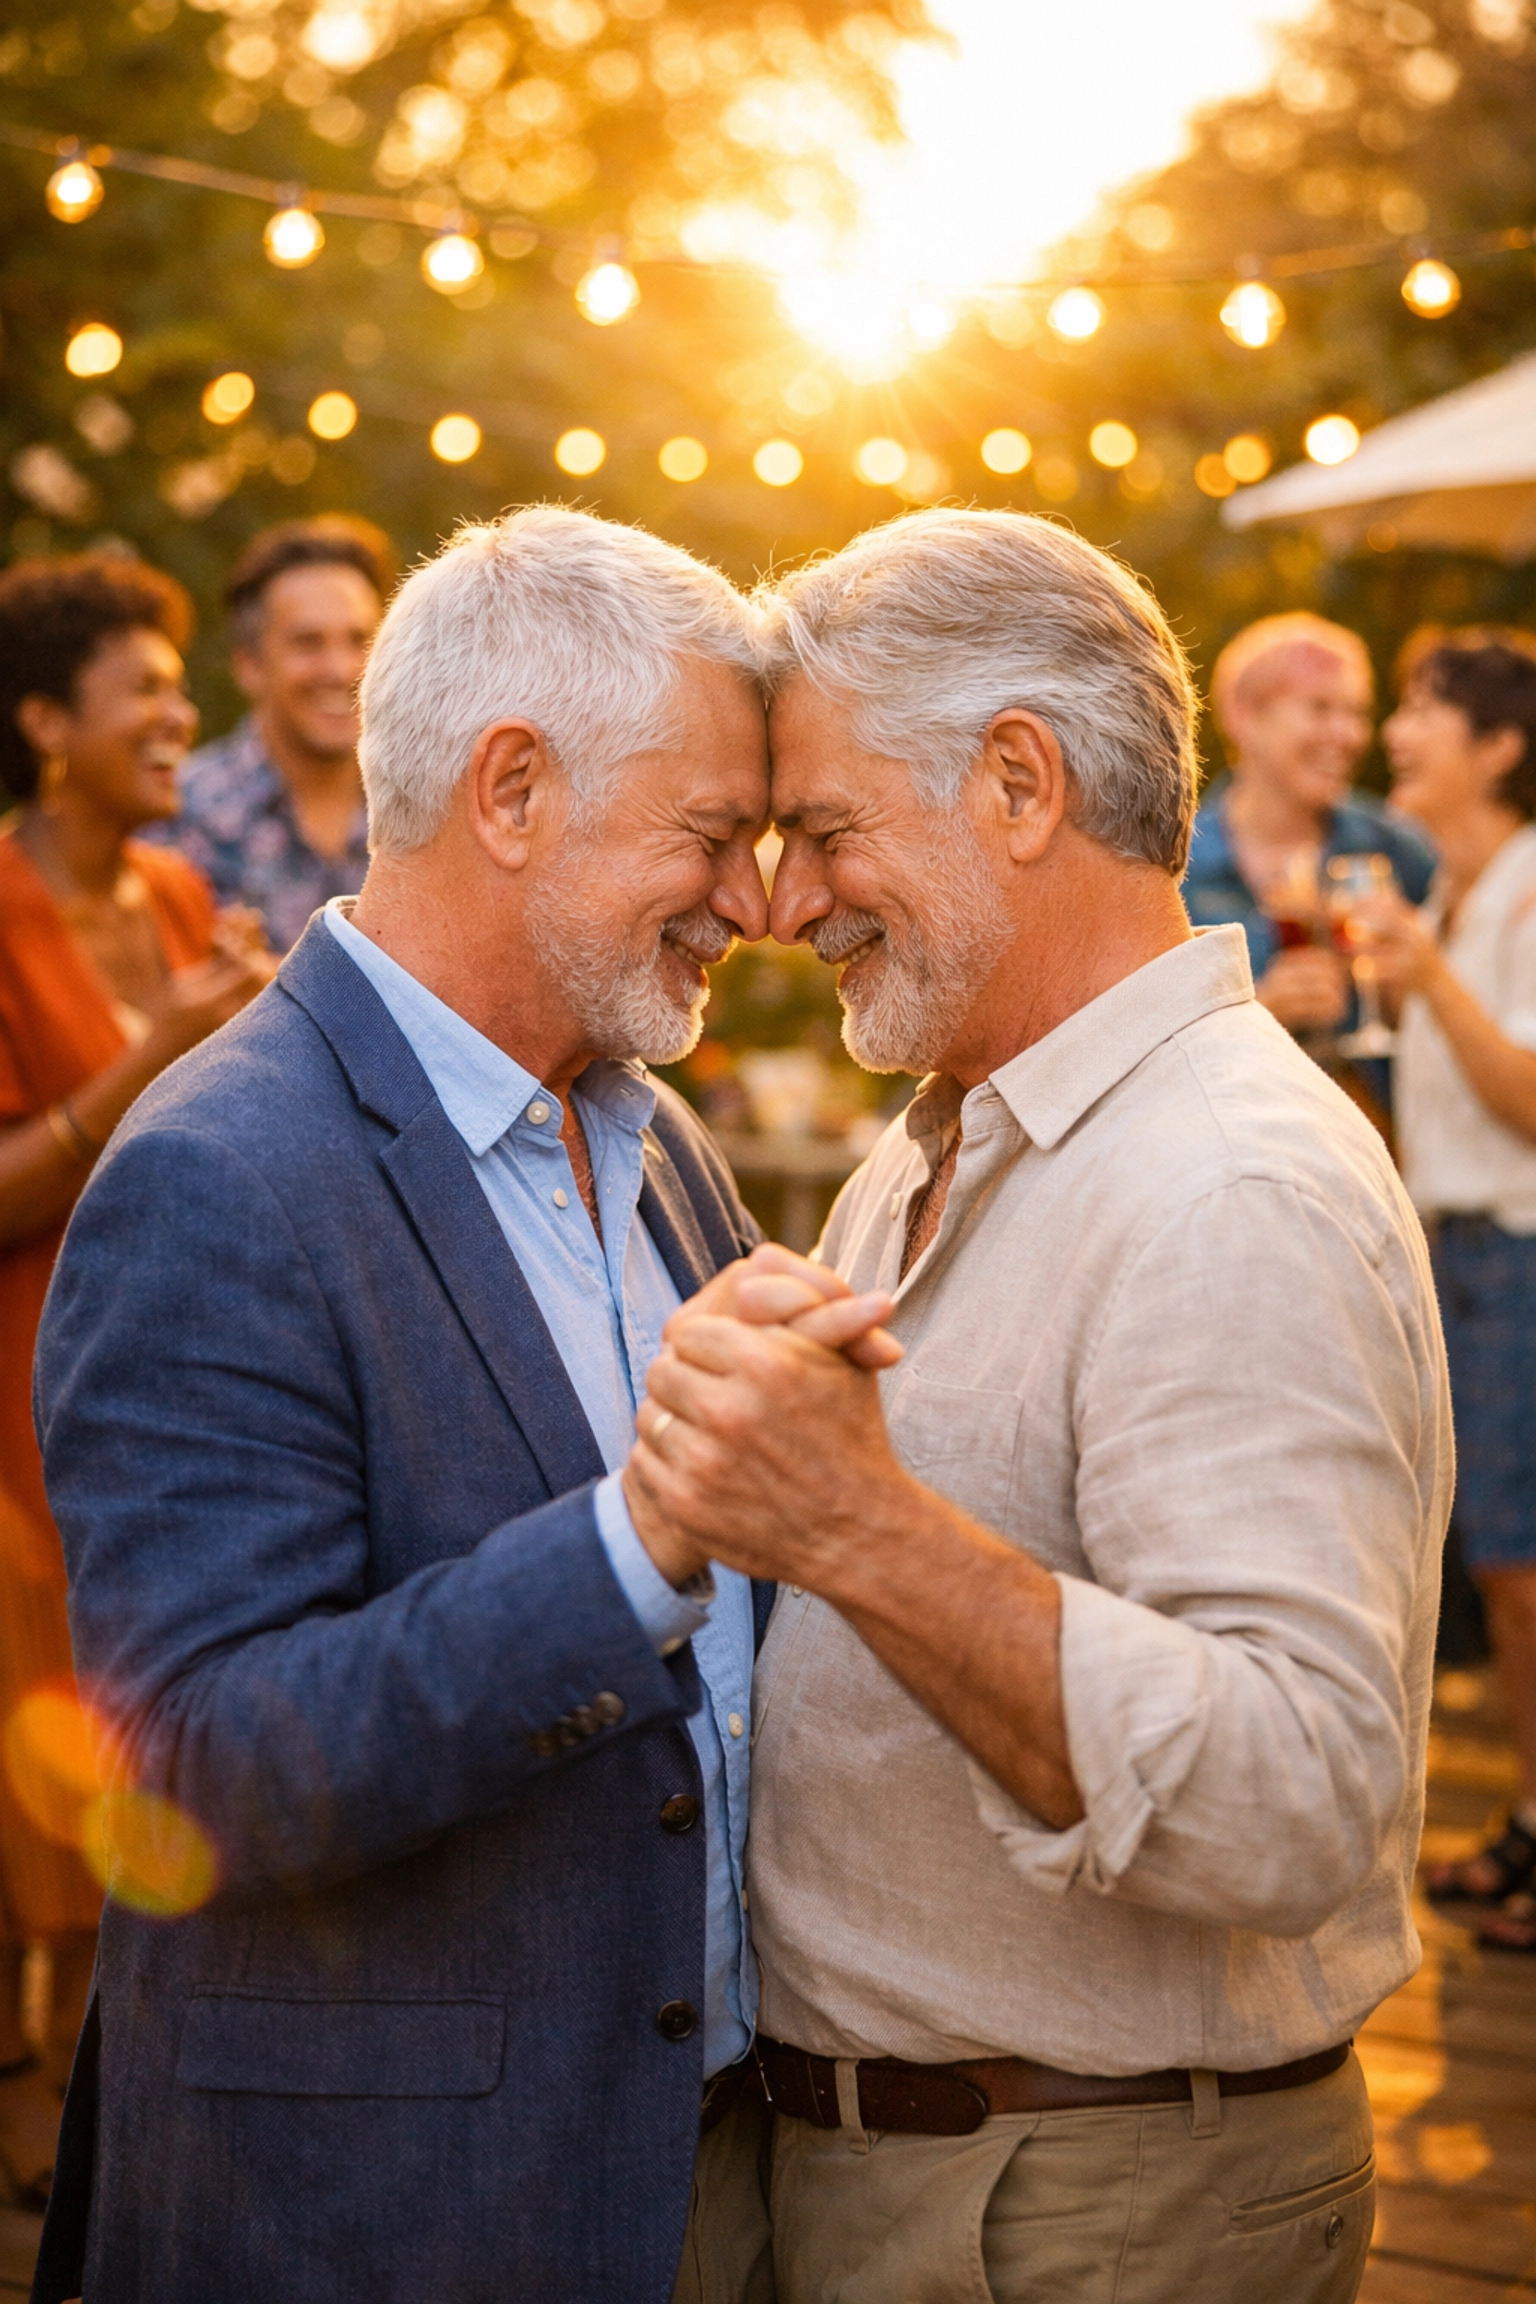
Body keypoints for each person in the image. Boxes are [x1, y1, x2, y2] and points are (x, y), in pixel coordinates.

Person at [623, 511, 1451, 2304]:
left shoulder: (1228, 1183)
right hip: (927, 2180)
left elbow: (1299, 1792)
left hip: (1083, 2204)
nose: (782, 900)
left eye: (831, 830)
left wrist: (858, 1523)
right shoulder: (948, 1130)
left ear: (1019, 779)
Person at [29, 506, 841, 2304]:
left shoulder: (651, 1122)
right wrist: (640, 1540)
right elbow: (192, 1764)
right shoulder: (220, 1172)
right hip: (389, 2203)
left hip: (680, 2154)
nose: (757, 899)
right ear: (512, 788)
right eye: (712, 833)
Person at [0, 553, 266, 2209]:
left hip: (152, 1382)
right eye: (142, 687)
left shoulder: (177, 896)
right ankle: (24, 2099)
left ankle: (104, 2084)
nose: (180, 710)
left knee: (131, 1728)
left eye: (182, 682)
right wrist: (152, 1050)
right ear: (43, 721)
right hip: (7, 1396)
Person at [1363, 628, 1536, 1953]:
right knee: (1504, 1566)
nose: (1397, 729)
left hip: (1518, 1254)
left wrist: (1425, 989)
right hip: (1459, 1254)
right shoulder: (1453, 895)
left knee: (1524, 1569)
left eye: (1426, 708)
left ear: (1500, 747)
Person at [1184, 610, 1434, 1114]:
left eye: (1357, 712)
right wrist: (1263, 1012)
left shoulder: (1399, 848)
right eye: (1319, 709)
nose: (1347, 736)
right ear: (1244, 717)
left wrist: (1406, 993)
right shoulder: (1174, 864)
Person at [150, 516, 389, 952]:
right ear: (248, 665)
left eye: (360, 640)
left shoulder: (426, 813)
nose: (341, 669)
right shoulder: (173, 821)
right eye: (308, 643)